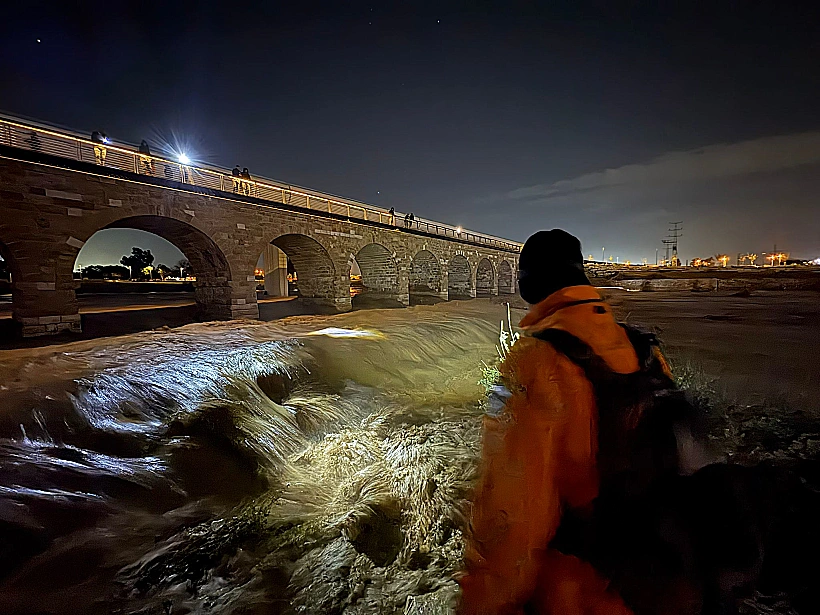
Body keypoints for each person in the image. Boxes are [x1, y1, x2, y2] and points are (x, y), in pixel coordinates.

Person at [459, 229, 646, 615]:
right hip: (655, 579)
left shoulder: (535, 358)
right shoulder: (643, 349)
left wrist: (483, 600)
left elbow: (513, 503)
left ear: (529, 283)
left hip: (579, 589)